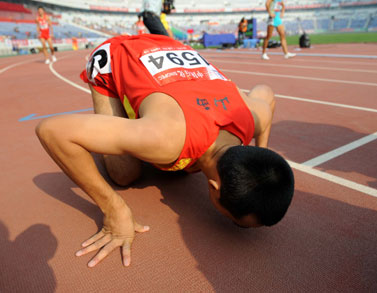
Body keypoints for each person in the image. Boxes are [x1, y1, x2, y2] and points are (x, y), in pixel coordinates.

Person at [36, 34, 294, 268]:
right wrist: (115, 211)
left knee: (180, 167)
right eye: (235, 221)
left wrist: (261, 156)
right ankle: (115, 94)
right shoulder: (166, 139)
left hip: (172, 51)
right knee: (124, 174)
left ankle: (137, 113)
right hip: (115, 56)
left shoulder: (250, 116)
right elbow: (52, 131)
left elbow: (266, 93)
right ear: (215, 189)